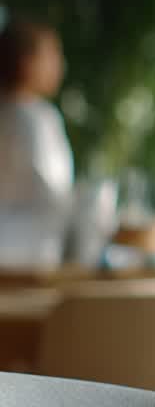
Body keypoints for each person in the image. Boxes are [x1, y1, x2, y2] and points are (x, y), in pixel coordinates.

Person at [0, 15, 74, 267]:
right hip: (30, 257)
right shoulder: (37, 119)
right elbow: (54, 192)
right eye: (52, 55)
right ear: (26, 62)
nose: (60, 64)